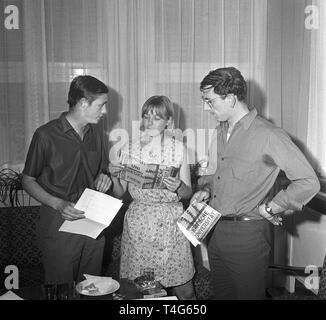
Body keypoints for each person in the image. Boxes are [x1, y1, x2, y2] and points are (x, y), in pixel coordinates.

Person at [191, 67, 320, 300]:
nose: (206, 108)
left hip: (247, 236)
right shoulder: (221, 131)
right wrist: (207, 189)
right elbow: (220, 175)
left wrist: (272, 207)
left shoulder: (269, 134)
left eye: (210, 101)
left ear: (230, 99)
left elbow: (308, 181)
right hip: (215, 230)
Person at [22, 75, 112, 285]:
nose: (105, 111)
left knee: (92, 287)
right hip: (58, 221)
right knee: (61, 290)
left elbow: (103, 169)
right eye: (102, 105)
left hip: (93, 221)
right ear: (83, 103)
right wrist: (58, 203)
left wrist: (104, 176)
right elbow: (27, 180)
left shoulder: (96, 134)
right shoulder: (45, 135)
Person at [109, 95, 196, 300]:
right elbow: (119, 193)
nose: (150, 122)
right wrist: (114, 176)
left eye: (156, 118)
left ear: (168, 122)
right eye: (146, 117)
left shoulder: (179, 149)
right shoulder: (129, 148)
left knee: (185, 290)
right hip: (140, 221)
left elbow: (188, 193)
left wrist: (179, 186)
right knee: (142, 291)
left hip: (171, 222)